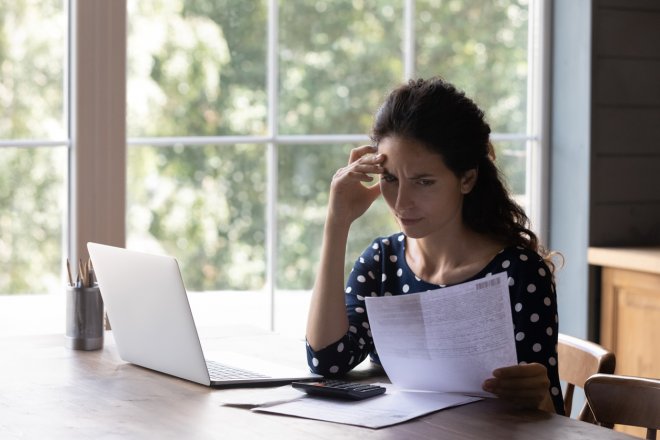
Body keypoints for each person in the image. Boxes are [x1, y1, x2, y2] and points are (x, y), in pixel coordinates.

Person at [305, 77, 565, 414]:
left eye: (423, 182)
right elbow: (326, 360)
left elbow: (551, 414)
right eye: (390, 179)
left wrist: (537, 393)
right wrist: (336, 223)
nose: (401, 202)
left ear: (467, 179)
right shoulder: (381, 262)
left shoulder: (518, 272)